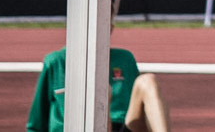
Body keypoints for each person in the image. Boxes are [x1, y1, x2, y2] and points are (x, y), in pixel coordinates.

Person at [26, 45, 170, 132]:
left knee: (148, 80)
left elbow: (142, 110)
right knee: (101, 88)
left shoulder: (125, 58)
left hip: (123, 126)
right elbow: (36, 123)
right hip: (83, 127)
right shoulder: (56, 62)